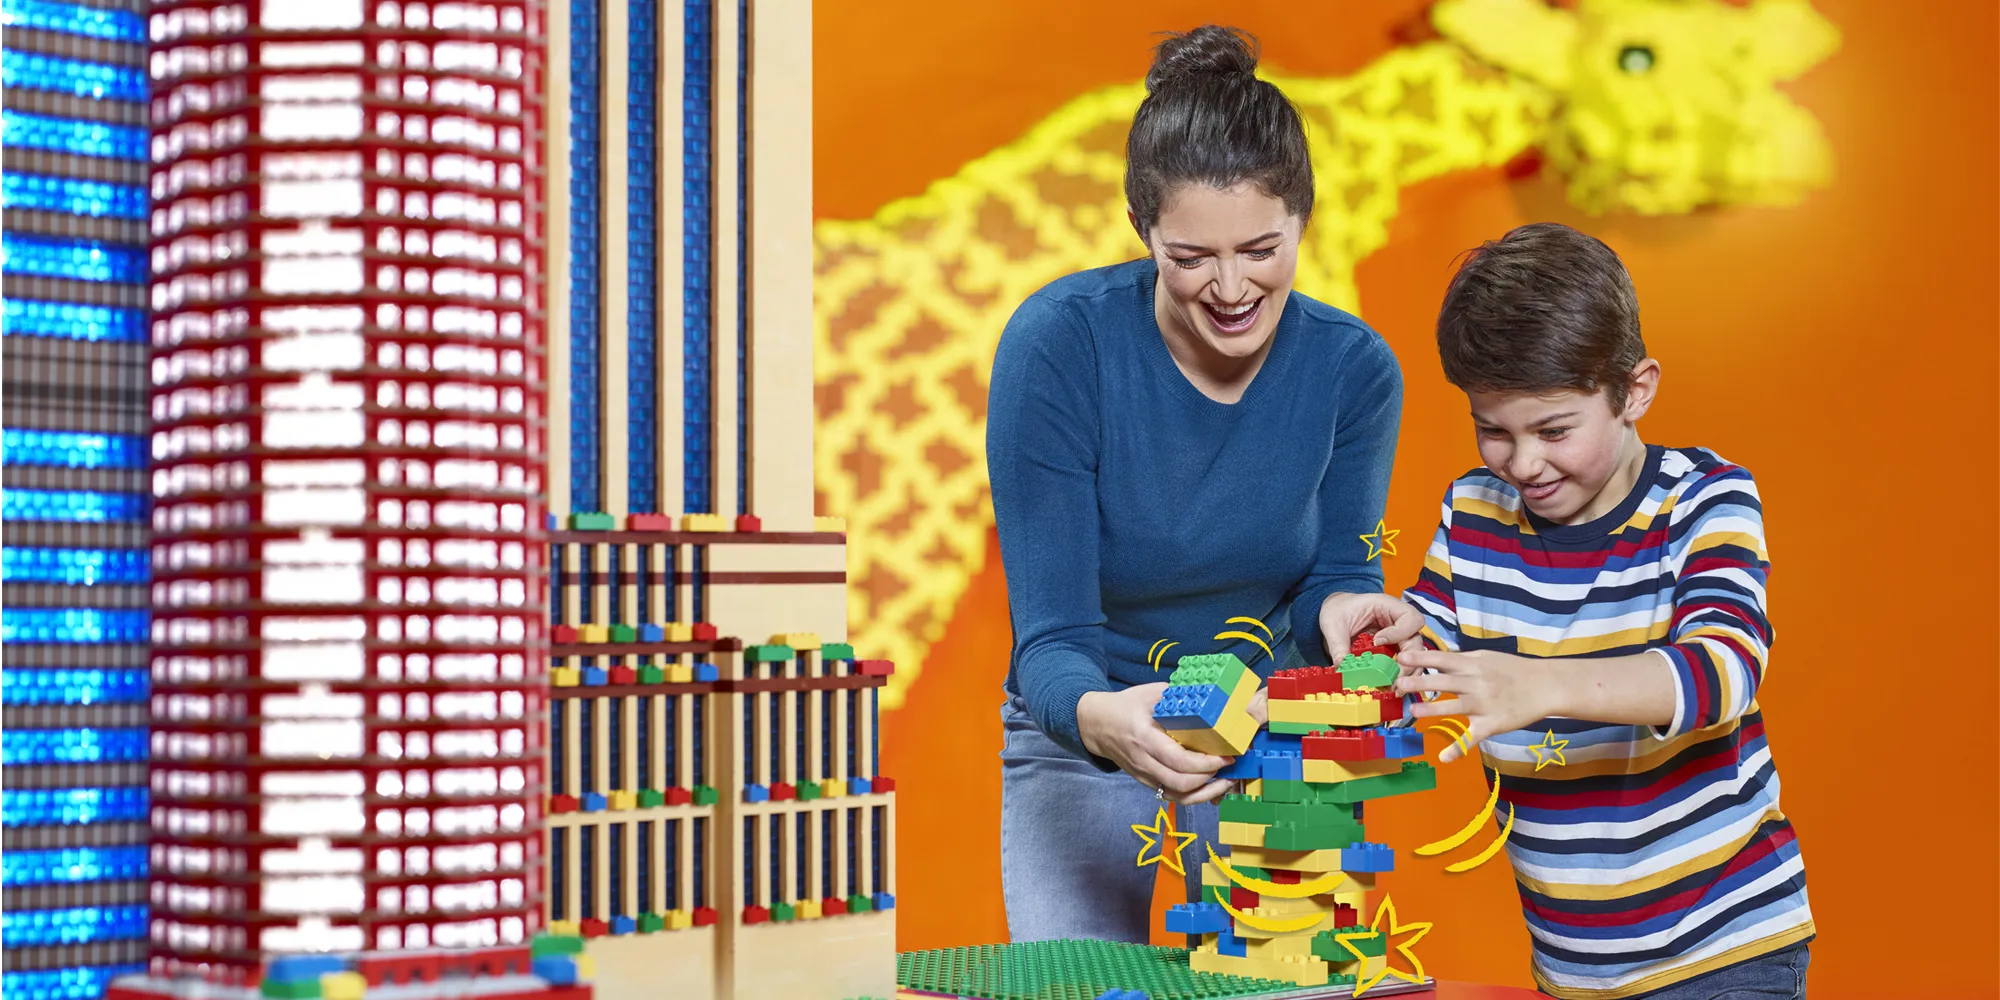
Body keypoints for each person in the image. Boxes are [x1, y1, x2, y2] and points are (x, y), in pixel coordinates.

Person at [986, 25, 1410, 944]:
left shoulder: (1355, 369)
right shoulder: (1059, 346)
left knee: (1286, 975)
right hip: (1092, 719)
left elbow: (1336, 568)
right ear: (1144, 232)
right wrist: (1101, 718)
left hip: (1272, 718)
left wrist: (1345, 612)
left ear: (1304, 218)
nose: (1229, 288)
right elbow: (1050, 637)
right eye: (1190, 258)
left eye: (1261, 250)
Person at [1369, 223, 1813, 998]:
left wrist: (1539, 685)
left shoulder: (1703, 499)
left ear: (1635, 391)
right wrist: (1386, 649)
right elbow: (1427, 664)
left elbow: (1724, 672)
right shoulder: (1474, 511)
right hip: (1572, 969)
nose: (1524, 463)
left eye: (1554, 430)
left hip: (1725, 952)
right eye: (1492, 431)